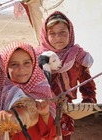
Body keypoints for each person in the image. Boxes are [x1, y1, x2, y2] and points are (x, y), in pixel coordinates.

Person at [35, 11, 97, 140]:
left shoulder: (77, 57)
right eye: (52, 33)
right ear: (45, 35)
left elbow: (88, 86)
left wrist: (87, 103)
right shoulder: (36, 58)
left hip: (65, 112)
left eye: (63, 32)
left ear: (70, 33)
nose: (58, 37)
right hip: (40, 110)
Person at [1, 41, 57, 140]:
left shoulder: (42, 91)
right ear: (5, 66)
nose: (21, 69)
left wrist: (44, 113)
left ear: (34, 64)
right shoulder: (0, 94)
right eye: (14, 64)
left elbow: (50, 134)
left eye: (26, 63)